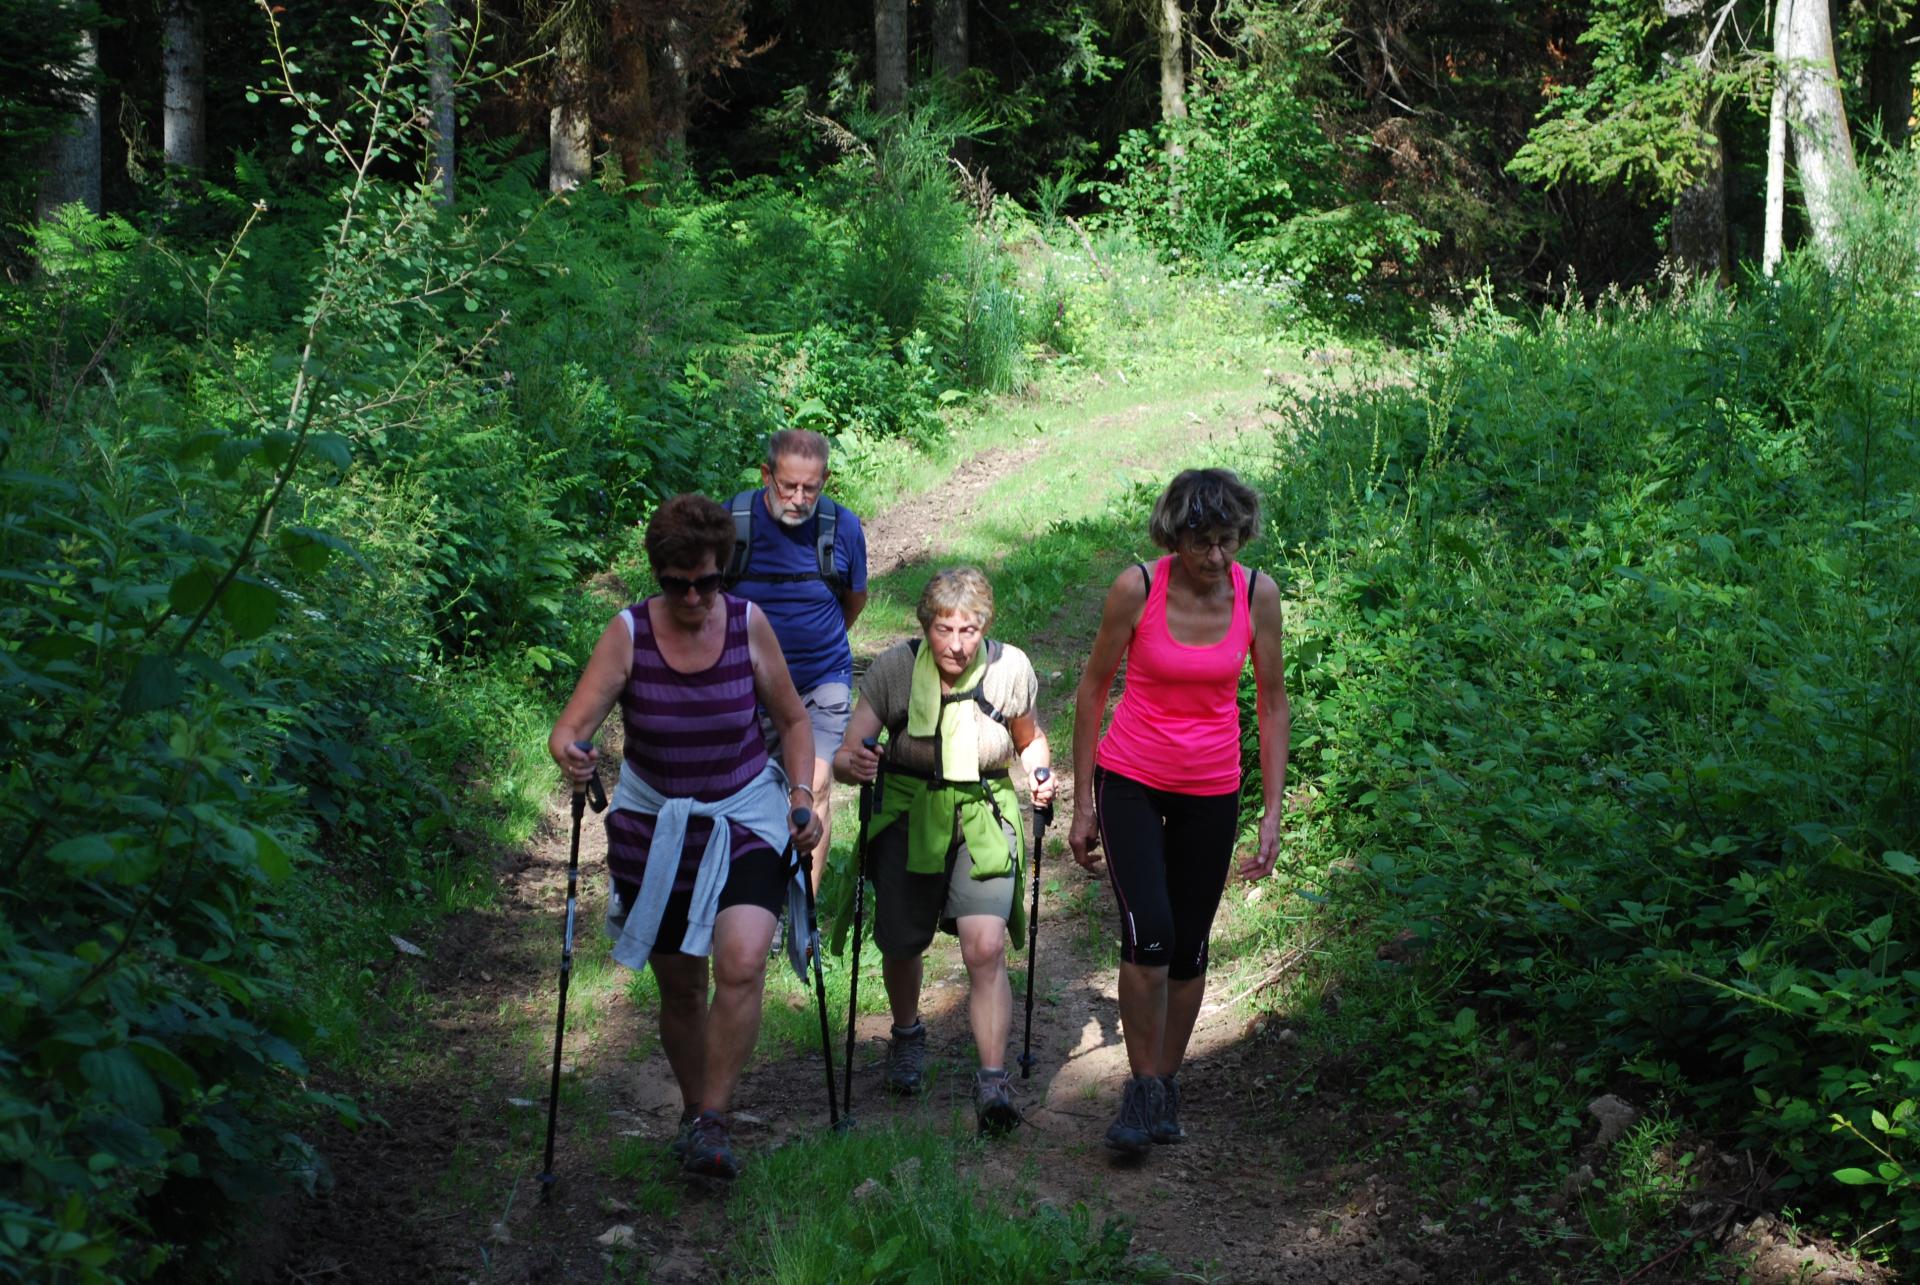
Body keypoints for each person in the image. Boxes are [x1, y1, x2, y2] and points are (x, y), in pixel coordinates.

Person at [549, 494, 823, 1182]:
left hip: (745, 817)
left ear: (723, 568)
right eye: (678, 584)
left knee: (741, 959)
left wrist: (797, 794)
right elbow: (569, 726)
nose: (695, 596)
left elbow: (792, 720)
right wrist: (573, 753)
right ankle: (694, 1105)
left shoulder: (748, 625)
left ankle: (713, 1119)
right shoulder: (629, 633)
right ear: (658, 575)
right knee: (680, 988)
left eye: (707, 580)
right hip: (656, 826)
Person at [1066, 469, 1289, 1155]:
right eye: (1201, 542)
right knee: (1151, 933)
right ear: (1174, 536)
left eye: (1226, 541)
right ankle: (1138, 1085)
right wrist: (1083, 801)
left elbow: (1273, 702)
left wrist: (1273, 810)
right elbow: (1092, 689)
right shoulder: (1138, 587)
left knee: (1190, 943)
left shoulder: (1257, 593)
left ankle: (1165, 1081)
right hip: (1132, 776)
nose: (1215, 557)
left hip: (1212, 786)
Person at [833, 567, 1055, 1135]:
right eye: (944, 629)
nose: (956, 644)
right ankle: (907, 1037)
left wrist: (1040, 774)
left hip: (983, 813)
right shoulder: (894, 669)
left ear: (986, 627)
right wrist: (856, 761)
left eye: (969, 630)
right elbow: (849, 748)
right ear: (925, 625)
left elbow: (1029, 740)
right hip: (908, 810)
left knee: (984, 947)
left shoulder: (1011, 670)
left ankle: (992, 1079)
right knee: (902, 940)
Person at [724, 429, 869, 890]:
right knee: (748, 791)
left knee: (816, 784)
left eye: (812, 487)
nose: (799, 498)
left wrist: (817, 645)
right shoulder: (734, 522)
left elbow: (854, 601)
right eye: (788, 486)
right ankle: (750, 893)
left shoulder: (841, 527)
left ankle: (800, 906)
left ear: (825, 479)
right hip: (745, 684)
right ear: (766, 474)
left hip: (820, 678)